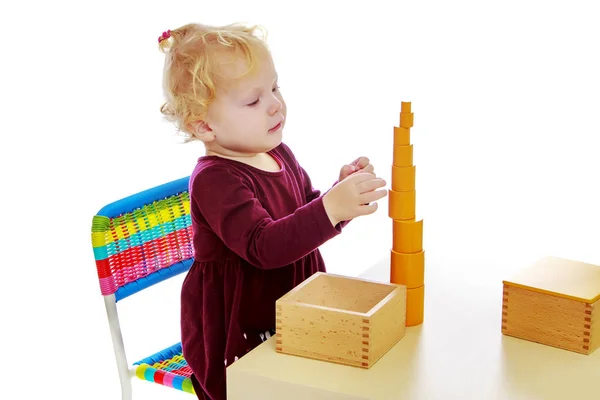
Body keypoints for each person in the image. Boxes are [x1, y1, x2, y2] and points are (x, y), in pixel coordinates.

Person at [157, 22, 387, 399]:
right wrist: (329, 209)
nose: (275, 104)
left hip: (293, 310)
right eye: (253, 100)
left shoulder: (277, 152)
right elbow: (265, 247)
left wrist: (338, 198)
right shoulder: (215, 180)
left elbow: (303, 214)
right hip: (241, 330)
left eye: (275, 88)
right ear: (204, 125)